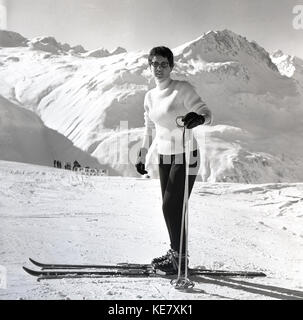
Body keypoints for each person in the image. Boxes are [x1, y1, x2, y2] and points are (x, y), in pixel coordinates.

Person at [135, 46, 213, 274]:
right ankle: (176, 255)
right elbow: (149, 127)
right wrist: (142, 153)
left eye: (164, 64)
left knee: (170, 206)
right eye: (155, 64)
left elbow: (207, 112)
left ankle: (179, 257)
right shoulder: (149, 97)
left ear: (171, 66)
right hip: (164, 156)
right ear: (149, 66)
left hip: (187, 155)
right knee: (173, 209)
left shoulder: (182, 89)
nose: (159, 68)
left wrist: (199, 118)